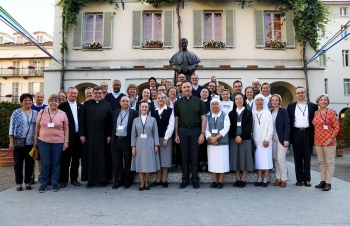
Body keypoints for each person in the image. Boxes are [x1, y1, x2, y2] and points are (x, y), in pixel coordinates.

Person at [174, 81, 207, 189]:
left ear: (191, 88)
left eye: (188, 87)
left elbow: (203, 118)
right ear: (182, 89)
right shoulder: (178, 103)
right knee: (184, 156)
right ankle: (185, 179)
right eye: (185, 87)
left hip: (195, 131)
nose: (187, 89)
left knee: (194, 156)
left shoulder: (199, 101)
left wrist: (202, 134)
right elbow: (176, 119)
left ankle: (195, 179)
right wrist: (176, 134)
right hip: (182, 131)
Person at [34, 94, 69, 193]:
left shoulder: (63, 113)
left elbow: (66, 128)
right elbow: (37, 127)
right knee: (45, 163)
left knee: (56, 163)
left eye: (56, 101)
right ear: (48, 102)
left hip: (58, 142)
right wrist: (35, 141)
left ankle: (54, 183)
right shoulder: (42, 112)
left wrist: (66, 141)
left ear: (59, 103)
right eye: (52, 100)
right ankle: (43, 184)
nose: (54, 103)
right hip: (43, 141)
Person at [79, 86, 112, 188]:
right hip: (89, 135)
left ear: (103, 94)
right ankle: (90, 180)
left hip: (103, 135)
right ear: (92, 94)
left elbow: (110, 122)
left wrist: (109, 135)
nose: (98, 95)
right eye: (96, 93)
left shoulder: (107, 105)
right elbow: (82, 120)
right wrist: (82, 134)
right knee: (89, 157)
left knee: (102, 158)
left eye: (100, 93)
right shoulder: (86, 104)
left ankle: (102, 180)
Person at [287, 86, 318, 187]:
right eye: (298, 93)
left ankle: (307, 179)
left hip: (308, 133)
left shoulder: (313, 106)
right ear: (295, 94)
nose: (300, 94)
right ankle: (299, 179)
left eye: (302, 92)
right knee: (297, 157)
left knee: (307, 157)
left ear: (305, 93)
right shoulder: (290, 107)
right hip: (296, 133)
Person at [9, 93, 39, 191]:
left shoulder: (36, 113)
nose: (28, 102)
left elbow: (38, 128)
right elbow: (12, 127)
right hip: (18, 142)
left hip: (31, 143)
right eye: (25, 100)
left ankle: (27, 182)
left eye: (30, 100)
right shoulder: (16, 112)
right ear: (21, 102)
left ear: (32, 101)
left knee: (29, 163)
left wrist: (36, 141)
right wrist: (11, 142)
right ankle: (18, 183)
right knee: (18, 163)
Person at [131, 101, 160, 191]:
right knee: (139, 162)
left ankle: (146, 182)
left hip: (150, 142)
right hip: (139, 143)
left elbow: (155, 133)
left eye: (146, 107)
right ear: (140, 108)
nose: (144, 108)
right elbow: (133, 134)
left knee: (148, 163)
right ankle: (141, 182)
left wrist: (156, 145)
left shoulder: (152, 119)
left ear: (148, 108)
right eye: (142, 107)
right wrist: (133, 147)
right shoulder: (135, 120)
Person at [312, 94, 339, 191]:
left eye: (325, 100)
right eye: (321, 100)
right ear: (318, 102)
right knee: (321, 162)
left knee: (329, 162)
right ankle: (323, 180)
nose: (323, 101)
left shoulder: (331, 112)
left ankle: (328, 182)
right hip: (318, 140)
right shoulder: (315, 113)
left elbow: (336, 127)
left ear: (327, 102)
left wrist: (331, 138)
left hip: (329, 141)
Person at [111, 96, 138, 189]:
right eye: (123, 101)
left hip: (127, 141)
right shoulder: (114, 113)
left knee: (128, 162)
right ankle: (118, 181)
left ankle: (127, 181)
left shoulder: (134, 113)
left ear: (130, 103)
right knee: (116, 162)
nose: (125, 103)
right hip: (116, 140)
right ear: (120, 102)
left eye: (127, 101)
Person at [58, 87, 82, 188]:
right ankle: (63, 180)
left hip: (78, 137)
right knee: (65, 160)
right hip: (66, 137)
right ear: (67, 94)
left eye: (75, 93)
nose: (73, 95)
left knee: (76, 159)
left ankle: (74, 179)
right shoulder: (62, 106)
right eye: (71, 93)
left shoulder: (80, 106)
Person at [229, 93, 253, 188]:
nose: (239, 101)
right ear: (234, 101)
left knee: (245, 158)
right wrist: (235, 136)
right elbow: (229, 127)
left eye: (240, 99)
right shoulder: (231, 113)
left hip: (245, 138)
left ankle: (243, 179)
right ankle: (238, 178)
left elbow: (249, 127)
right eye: (237, 99)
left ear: (243, 100)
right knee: (236, 158)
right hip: (234, 138)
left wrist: (241, 137)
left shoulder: (248, 112)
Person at [150, 93, 174, 188]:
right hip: (154, 138)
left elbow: (171, 125)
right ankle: (158, 179)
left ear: (165, 99)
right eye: (158, 98)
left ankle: (164, 179)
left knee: (165, 159)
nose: (160, 99)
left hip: (166, 138)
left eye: (162, 98)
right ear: (156, 99)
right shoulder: (152, 111)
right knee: (157, 159)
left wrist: (166, 138)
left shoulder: (170, 111)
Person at [206, 99, 230, 189]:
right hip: (211, 143)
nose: (215, 106)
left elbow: (226, 128)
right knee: (213, 162)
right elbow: (206, 128)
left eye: (216, 104)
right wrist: (211, 138)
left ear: (220, 105)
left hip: (222, 142)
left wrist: (216, 137)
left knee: (221, 162)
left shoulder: (225, 115)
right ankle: (214, 180)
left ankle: (220, 181)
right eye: (213, 104)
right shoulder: (208, 116)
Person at [252, 94, 273, 187]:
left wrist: (267, 139)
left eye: (261, 100)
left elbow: (270, 127)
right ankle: (259, 177)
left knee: (266, 160)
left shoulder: (267, 112)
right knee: (258, 160)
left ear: (264, 102)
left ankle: (266, 178)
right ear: (255, 102)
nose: (259, 102)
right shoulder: (252, 112)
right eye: (257, 100)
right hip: (256, 140)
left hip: (265, 140)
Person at [270, 94, 290, 188]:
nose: (274, 102)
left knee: (281, 159)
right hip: (272, 138)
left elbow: (287, 125)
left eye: (276, 100)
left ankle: (284, 179)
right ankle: (278, 178)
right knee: (275, 159)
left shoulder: (283, 111)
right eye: (272, 100)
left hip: (281, 138)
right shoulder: (270, 112)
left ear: (279, 101)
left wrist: (286, 139)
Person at [30, 91, 47, 184]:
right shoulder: (31, 106)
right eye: (38, 97)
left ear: (43, 98)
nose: (39, 98)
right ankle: (31, 176)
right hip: (30, 135)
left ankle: (40, 175)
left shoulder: (46, 108)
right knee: (32, 157)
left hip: (42, 136)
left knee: (40, 157)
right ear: (35, 98)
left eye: (41, 97)